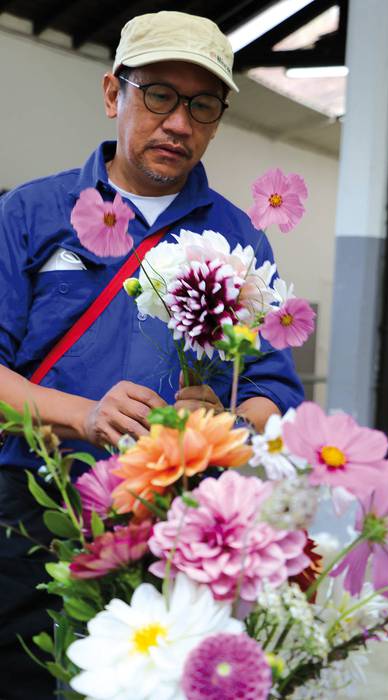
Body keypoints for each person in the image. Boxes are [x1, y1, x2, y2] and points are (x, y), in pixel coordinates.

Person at [0, 11, 304, 699]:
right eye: (159, 94)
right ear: (114, 95)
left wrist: (228, 419)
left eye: (203, 105)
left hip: (174, 522)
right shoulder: (31, 212)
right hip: (31, 510)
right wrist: (84, 415)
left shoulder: (236, 233)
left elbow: (272, 389)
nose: (179, 122)